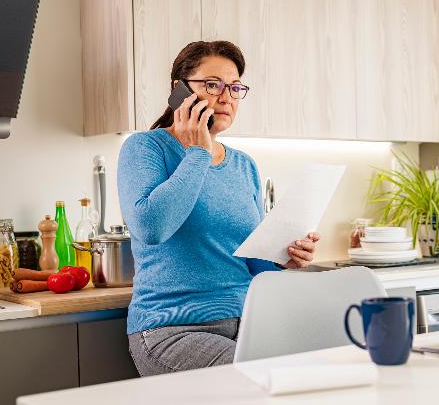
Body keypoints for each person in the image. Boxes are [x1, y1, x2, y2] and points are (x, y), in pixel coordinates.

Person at [118, 41, 319, 376]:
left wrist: (287, 257)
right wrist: (198, 152)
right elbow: (151, 228)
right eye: (212, 85)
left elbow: (253, 264)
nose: (226, 97)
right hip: (172, 331)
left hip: (249, 326)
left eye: (235, 87)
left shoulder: (244, 166)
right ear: (179, 91)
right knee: (270, 380)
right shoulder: (144, 147)